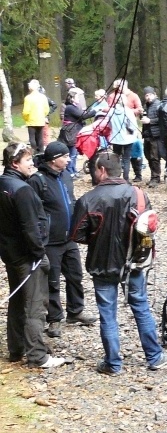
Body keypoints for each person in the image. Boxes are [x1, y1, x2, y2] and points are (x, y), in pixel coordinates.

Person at [70, 151, 167, 374]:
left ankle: (113, 364)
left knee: (108, 314)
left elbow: (76, 234)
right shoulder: (139, 195)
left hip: (102, 264)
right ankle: (155, 357)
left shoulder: (87, 199)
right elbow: (148, 226)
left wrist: (97, 237)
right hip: (134, 261)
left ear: (102, 171)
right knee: (141, 307)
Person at [0, 143, 67, 369]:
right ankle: (37, 356)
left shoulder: (4, 183)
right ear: (14, 163)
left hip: (11, 254)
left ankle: (16, 349)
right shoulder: (23, 190)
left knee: (18, 301)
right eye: (27, 160)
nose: (32, 164)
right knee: (35, 306)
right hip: (28, 257)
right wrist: (40, 255)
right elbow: (30, 228)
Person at [27, 142, 97, 339]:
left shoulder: (66, 175)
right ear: (53, 159)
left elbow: (71, 201)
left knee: (75, 275)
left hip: (70, 238)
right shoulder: (37, 181)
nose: (69, 159)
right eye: (65, 156)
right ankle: (54, 318)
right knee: (52, 281)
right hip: (50, 241)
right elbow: (32, 212)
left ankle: (76, 311)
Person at [23, 80, 50, 154]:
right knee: (40, 137)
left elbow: (26, 111)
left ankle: (34, 152)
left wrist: (26, 118)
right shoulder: (43, 97)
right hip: (40, 120)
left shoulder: (28, 98)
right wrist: (42, 115)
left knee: (32, 137)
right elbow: (47, 109)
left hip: (31, 120)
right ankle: (41, 152)